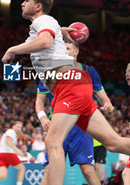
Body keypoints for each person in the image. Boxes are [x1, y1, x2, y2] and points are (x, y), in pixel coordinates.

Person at [1, 0, 130, 185]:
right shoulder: (41, 26)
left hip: (69, 87)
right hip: (72, 87)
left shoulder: (44, 20)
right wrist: (59, 31)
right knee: (114, 143)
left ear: (38, 6)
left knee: (52, 142)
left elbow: (45, 42)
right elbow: (44, 38)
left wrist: (12, 50)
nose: (22, 3)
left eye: (27, 0)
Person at [36, 40, 112, 185]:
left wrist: (107, 104)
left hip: (82, 127)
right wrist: (43, 117)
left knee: (88, 170)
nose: (64, 51)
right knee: (49, 169)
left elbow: (104, 98)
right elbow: (39, 101)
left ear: (76, 51)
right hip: (59, 127)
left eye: (68, 48)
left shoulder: (89, 71)